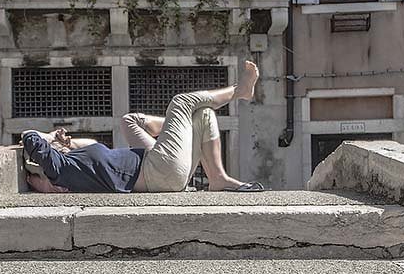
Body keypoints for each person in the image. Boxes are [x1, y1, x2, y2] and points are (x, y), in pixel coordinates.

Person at [22, 60, 265, 193]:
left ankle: (218, 178)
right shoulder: (62, 169)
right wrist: (50, 136)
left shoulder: (77, 164)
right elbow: (29, 138)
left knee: (202, 114)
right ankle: (238, 91)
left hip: (157, 167)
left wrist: (66, 142)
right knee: (182, 102)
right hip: (158, 170)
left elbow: (93, 145)